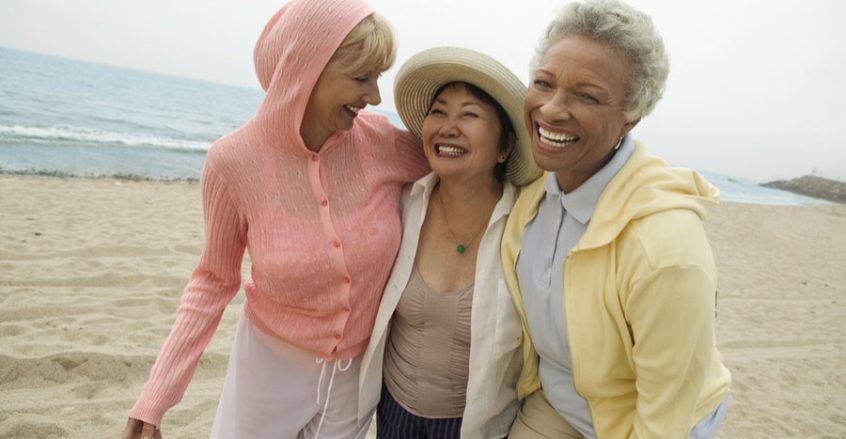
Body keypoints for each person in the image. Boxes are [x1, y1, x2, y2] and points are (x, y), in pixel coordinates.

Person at [121, 0, 429, 438]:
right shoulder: (232, 162)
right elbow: (213, 280)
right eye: (362, 77)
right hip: (267, 371)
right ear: (305, 70)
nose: (375, 96)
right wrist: (157, 396)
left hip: (354, 379)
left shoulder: (379, 142)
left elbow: (460, 165)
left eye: (377, 77)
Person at [501, 0, 732, 438]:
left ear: (631, 116)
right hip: (560, 399)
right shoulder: (534, 193)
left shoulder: (664, 246)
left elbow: (665, 415)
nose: (551, 109)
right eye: (543, 83)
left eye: (586, 96)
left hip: (652, 420)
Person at [356, 47, 542, 439]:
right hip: (393, 412)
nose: (448, 127)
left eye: (469, 115)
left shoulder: (528, 226)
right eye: (438, 112)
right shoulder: (404, 203)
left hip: (477, 427)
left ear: (505, 146)